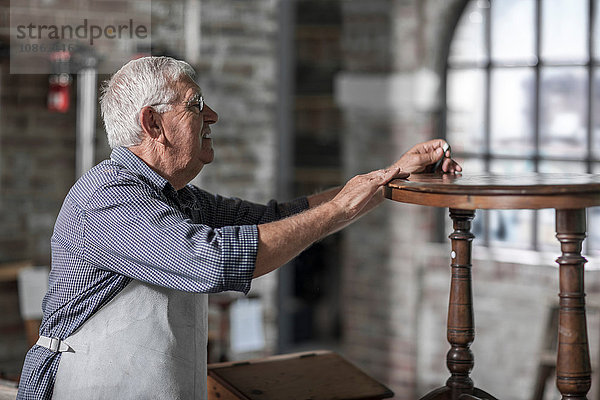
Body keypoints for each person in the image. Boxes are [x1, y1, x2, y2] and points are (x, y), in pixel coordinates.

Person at [17, 56, 461, 400]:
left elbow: (272, 220)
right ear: (153, 124)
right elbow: (210, 261)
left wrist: (388, 177)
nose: (212, 117)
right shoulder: (109, 197)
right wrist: (341, 209)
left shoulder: (175, 196)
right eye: (195, 106)